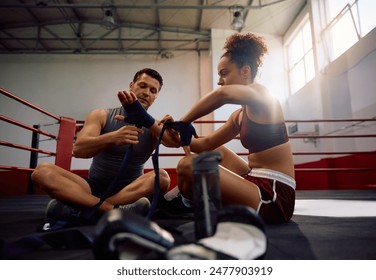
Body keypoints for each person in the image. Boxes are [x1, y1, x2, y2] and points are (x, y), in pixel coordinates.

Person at [175, 33, 296, 224]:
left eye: (224, 73)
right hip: (253, 178)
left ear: (245, 71)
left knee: (189, 165)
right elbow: (205, 143)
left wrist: (184, 121)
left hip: (275, 195)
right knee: (211, 150)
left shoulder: (263, 97)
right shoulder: (239, 115)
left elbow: (223, 94)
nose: (219, 81)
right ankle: (184, 202)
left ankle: (186, 203)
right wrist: (160, 126)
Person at [31, 68, 180, 222]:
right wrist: (111, 138)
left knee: (162, 177)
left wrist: (172, 128)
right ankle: (111, 210)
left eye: (153, 90)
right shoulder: (101, 115)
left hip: (131, 190)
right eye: (142, 86)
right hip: (93, 187)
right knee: (42, 172)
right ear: (131, 85)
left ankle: (81, 208)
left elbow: (174, 143)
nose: (146, 92)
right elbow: (79, 150)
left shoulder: (154, 126)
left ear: (155, 97)